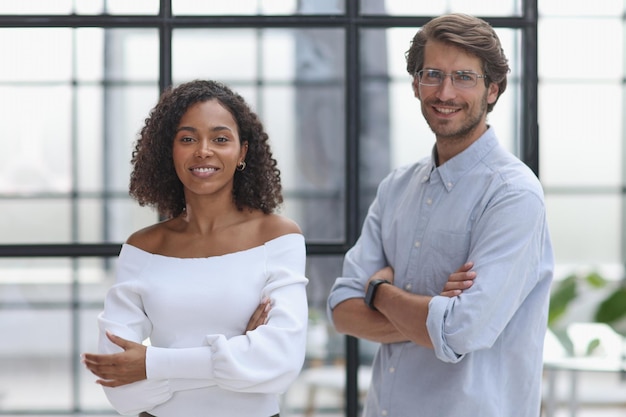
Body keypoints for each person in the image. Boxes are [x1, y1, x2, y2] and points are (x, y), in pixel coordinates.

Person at [327, 13, 554, 417]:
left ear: (492, 90)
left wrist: (379, 293)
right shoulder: (396, 187)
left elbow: (461, 330)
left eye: (464, 77)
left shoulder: (514, 195)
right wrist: (432, 313)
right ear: (416, 85)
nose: (445, 92)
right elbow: (343, 309)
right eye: (433, 74)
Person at [82, 80, 309, 417]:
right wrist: (236, 355)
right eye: (187, 139)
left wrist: (151, 364)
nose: (203, 150)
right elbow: (120, 386)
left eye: (220, 138)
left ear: (242, 151)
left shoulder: (276, 237)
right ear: (168, 150)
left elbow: (281, 363)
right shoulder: (143, 248)